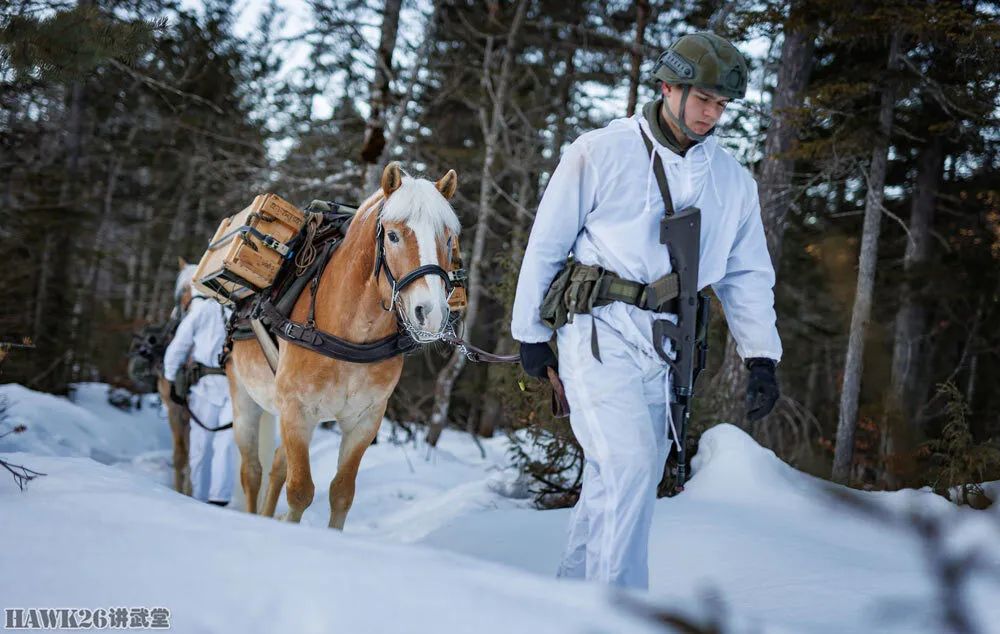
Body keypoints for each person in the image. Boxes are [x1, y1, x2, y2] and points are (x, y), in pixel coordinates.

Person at [511, 32, 782, 590]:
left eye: (722, 104)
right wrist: (531, 334)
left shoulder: (734, 182)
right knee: (631, 464)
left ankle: (567, 602)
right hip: (599, 330)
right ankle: (621, 613)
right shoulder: (600, 151)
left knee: (620, 476)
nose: (713, 113)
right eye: (703, 98)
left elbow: (746, 274)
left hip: (668, 346)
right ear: (668, 87)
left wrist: (761, 358)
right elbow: (546, 244)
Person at [163, 277, 237, 506]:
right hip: (218, 387)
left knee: (210, 445)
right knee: (215, 445)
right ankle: (209, 498)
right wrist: (172, 377)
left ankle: (212, 499)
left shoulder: (207, 309)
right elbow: (179, 347)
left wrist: (171, 380)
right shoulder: (217, 310)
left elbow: (177, 348)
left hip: (230, 387)